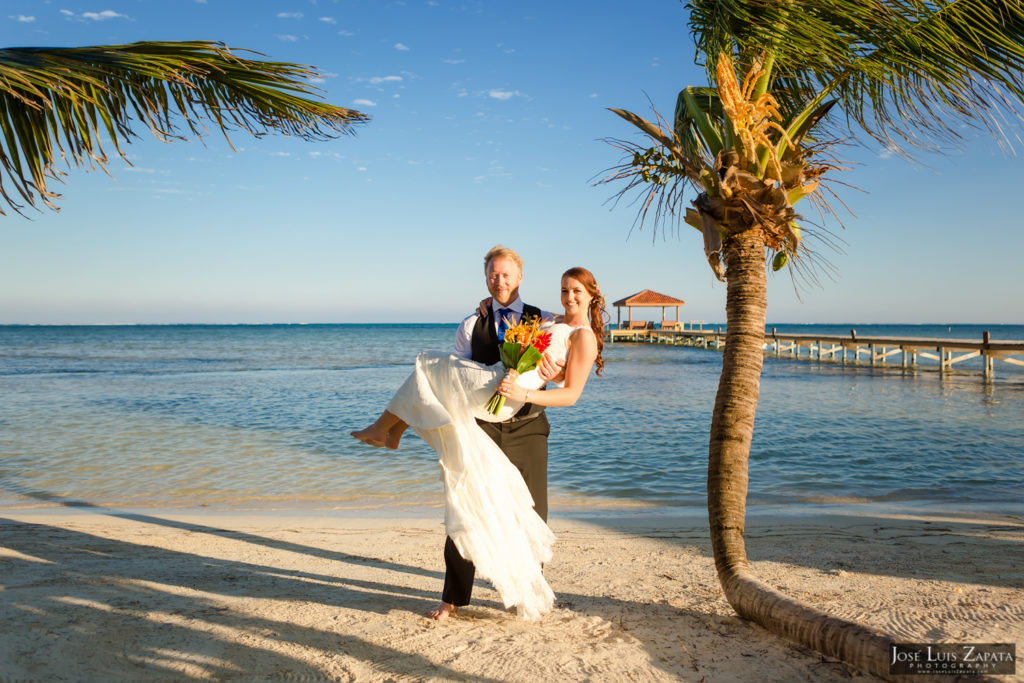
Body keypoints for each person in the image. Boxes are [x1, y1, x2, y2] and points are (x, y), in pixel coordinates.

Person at [351, 251, 606, 621]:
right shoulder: (491, 320)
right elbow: (481, 366)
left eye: (576, 292)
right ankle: (452, 597)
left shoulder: (547, 320)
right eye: (565, 290)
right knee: (467, 505)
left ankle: (525, 594)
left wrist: (539, 385)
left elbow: (569, 386)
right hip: (484, 421)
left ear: (520, 276)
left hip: (528, 425)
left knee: (532, 514)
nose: (569, 297)